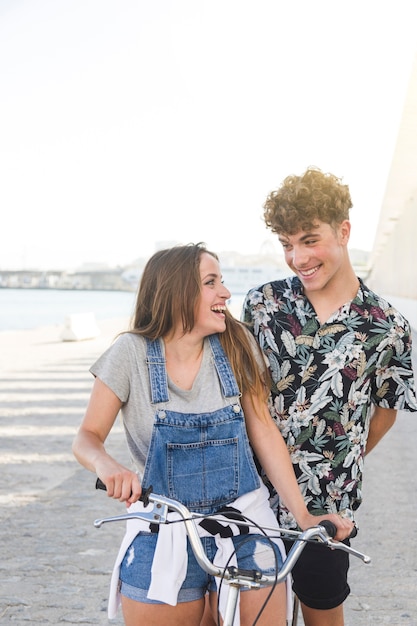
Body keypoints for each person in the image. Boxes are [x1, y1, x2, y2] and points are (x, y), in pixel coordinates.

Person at [72, 242, 353, 626]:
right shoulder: (130, 353)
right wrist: (109, 468)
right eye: (211, 282)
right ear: (176, 292)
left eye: (221, 281)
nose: (225, 292)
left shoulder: (236, 345)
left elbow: (265, 433)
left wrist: (302, 515)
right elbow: (87, 436)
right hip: (164, 528)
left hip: (246, 526)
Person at [242, 166, 417, 626]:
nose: (298, 257)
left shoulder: (389, 326)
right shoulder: (263, 305)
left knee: (323, 613)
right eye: (286, 244)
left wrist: (341, 461)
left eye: (308, 239)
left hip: (328, 502)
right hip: (251, 496)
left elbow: (385, 413)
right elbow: (246, 397)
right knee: (259, 617)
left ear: (343, 231)